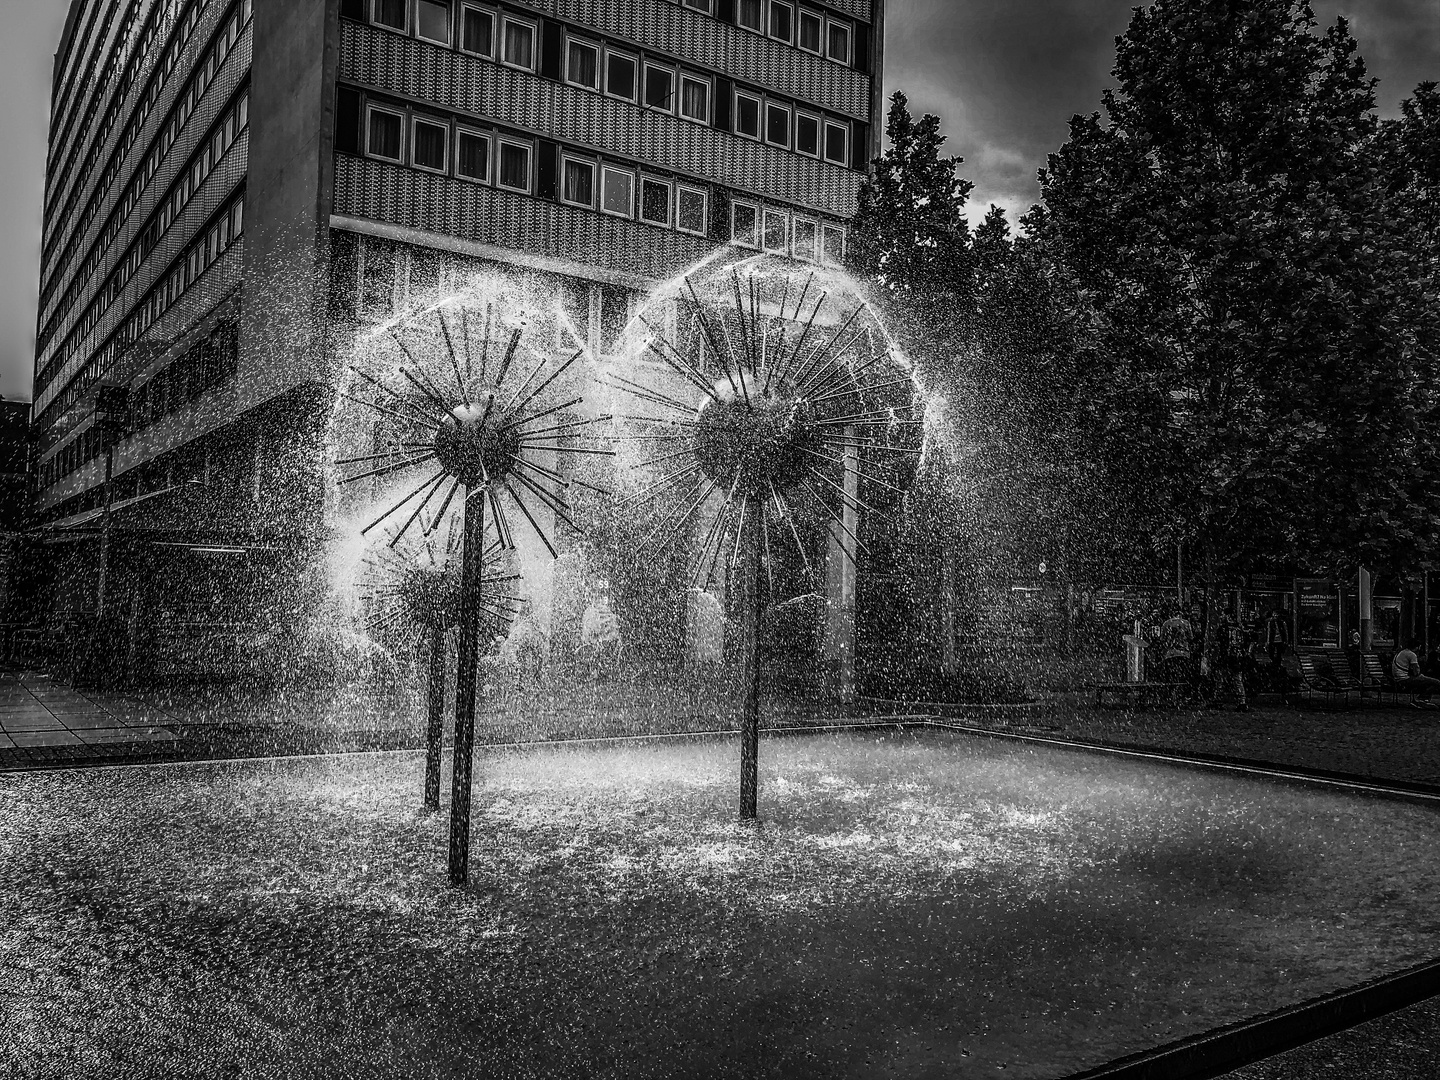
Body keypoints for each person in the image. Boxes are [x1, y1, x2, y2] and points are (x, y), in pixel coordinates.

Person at [1213, 613, 1250, 711]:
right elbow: (1245, 642)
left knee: (1220, 679)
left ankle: (1218, 701)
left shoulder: (1223, 629)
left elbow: (1218, 643)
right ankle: (1242, 702)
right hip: (1236, 656)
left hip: (1225, 656)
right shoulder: (1239, 629)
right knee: (1237, 679)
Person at [1392, 642, 1440, 709]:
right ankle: (1422, 699)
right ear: (1417, 647)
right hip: (1405, 679)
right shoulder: (1412, 655)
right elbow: (1416, 672)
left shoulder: (1401, 652)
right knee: (1436, 682)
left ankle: (1421, 699)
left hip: (1398, 677)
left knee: (1425, 681)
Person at [1158, 606, 1194, 684]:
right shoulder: (1186, 623)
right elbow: (1191, 638)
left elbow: (1162, 639)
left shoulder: (1166, 623)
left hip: (1170, 653)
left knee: (1170, 677)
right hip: (1184, 652)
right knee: (1183, 676)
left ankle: (1171, 691)